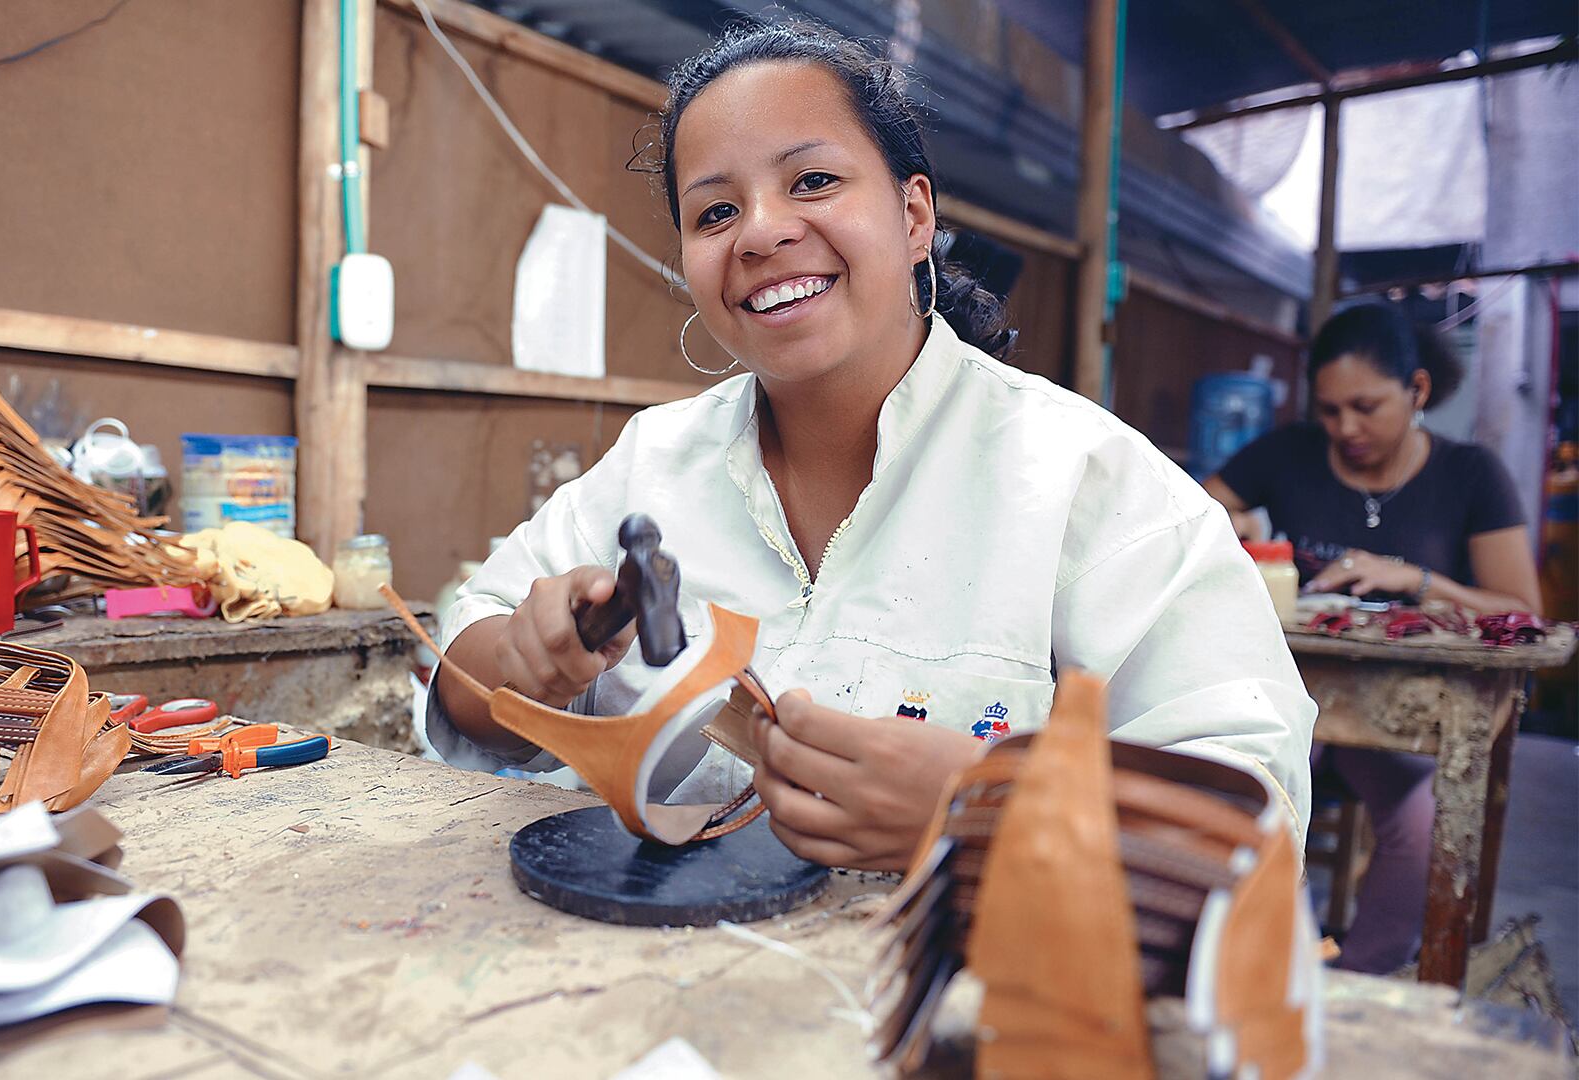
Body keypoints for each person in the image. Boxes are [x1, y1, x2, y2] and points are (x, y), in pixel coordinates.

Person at [427, 22, 1315, 873]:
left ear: (914, 213)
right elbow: (461, 671)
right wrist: (519, 662)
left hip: (945, 1012)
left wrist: (996, 806)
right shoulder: (650, 465)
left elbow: (1255, 812)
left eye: (812, 181)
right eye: (716, 211)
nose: (762, 232)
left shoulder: (1086, 481)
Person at [1206, 300, 1542, 973]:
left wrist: (1417, 580)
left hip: (1399, 708)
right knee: (1230, 788)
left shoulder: (1470, 475)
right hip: (1290, 691)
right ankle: (1278, 970)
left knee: (1421, 822)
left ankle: (1359, 979)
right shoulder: (1292, 453)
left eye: (1365, 407)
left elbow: (1522, 613)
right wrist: (1227, 525)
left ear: (1417, 391)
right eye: (1329, 411)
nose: (1345, 428)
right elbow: (1199, 507)